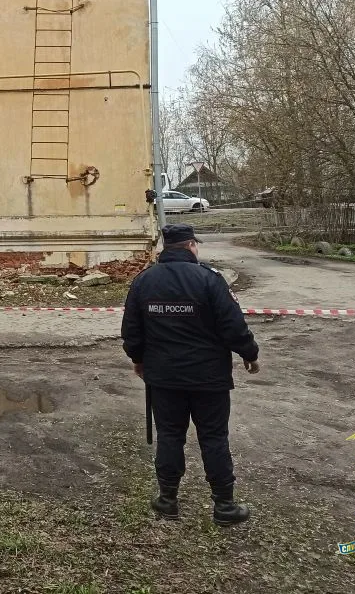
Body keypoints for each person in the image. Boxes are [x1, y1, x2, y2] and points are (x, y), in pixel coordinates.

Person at [121, 224, 260, 526]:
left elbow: (131, 330)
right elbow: (233, 326)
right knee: (213, 437)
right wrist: (249, 353)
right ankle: (224, 506)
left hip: (163, 378)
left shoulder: (143, 282)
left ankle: (167, 499)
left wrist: (138, 359)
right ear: (190, 246)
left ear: (164, 249)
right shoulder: (209, 280)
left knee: (170, 435)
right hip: (209, 378)